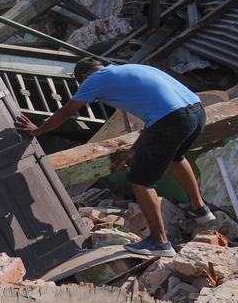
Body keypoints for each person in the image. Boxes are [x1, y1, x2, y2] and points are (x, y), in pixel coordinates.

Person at [15, 59, 215, 258]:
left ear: (84, 77)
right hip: (196, 113)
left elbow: (67, 110)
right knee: (176, 157)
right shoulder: (134, 69)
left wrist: (38, 130)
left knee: (140, 181)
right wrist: (136, 149)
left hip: (172, 120)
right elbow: (156, 114)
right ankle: (201, 210)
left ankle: (159, 242)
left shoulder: (96, 79)